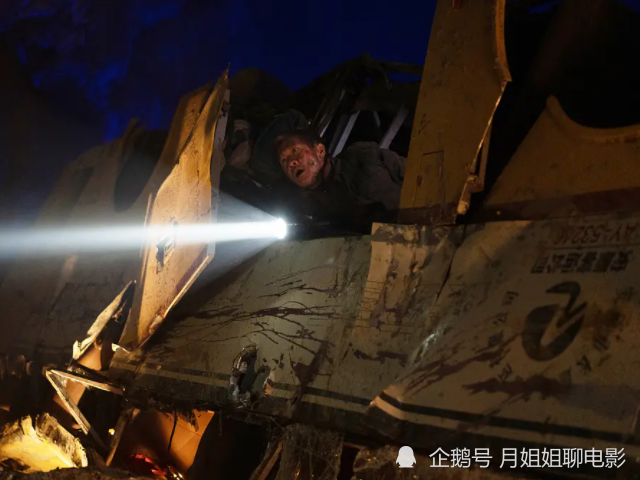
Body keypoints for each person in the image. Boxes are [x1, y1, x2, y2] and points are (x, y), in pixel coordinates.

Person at [275, 129, 406, 230]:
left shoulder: (360, 157)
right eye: (284, 160)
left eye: (295, 150)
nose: (291, 162)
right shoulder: (306, 211)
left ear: (320, 151)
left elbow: (408, 170)